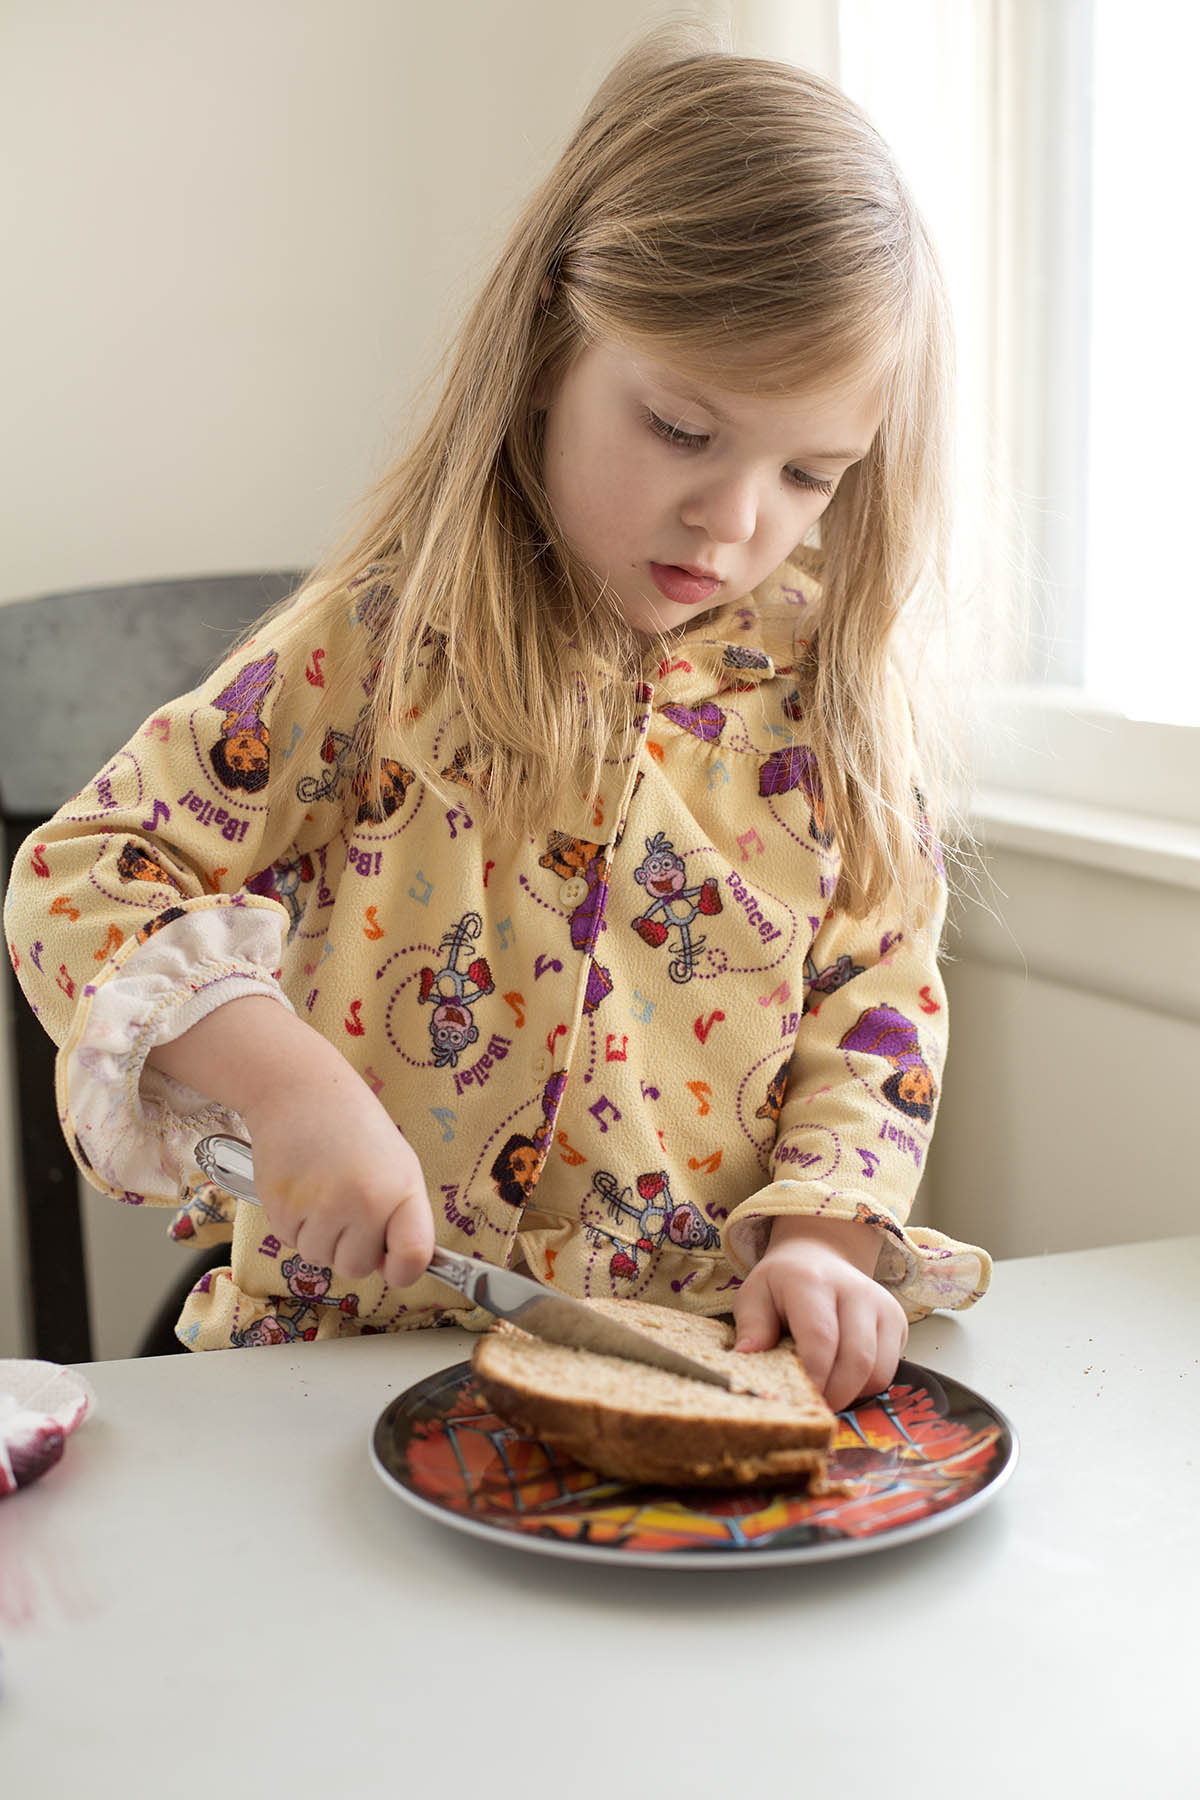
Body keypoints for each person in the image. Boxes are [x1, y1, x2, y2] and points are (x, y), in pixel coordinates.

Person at [3, 29, 991, 1410]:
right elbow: (83, 879)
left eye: (811, 473)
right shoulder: (385, 640)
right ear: (546, 348)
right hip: (356, 1376)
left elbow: (876, 997)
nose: (737, 520)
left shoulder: (825, 694)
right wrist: (292, 1091)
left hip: (684, 1372)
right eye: (683, 430)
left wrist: (826, 1231)